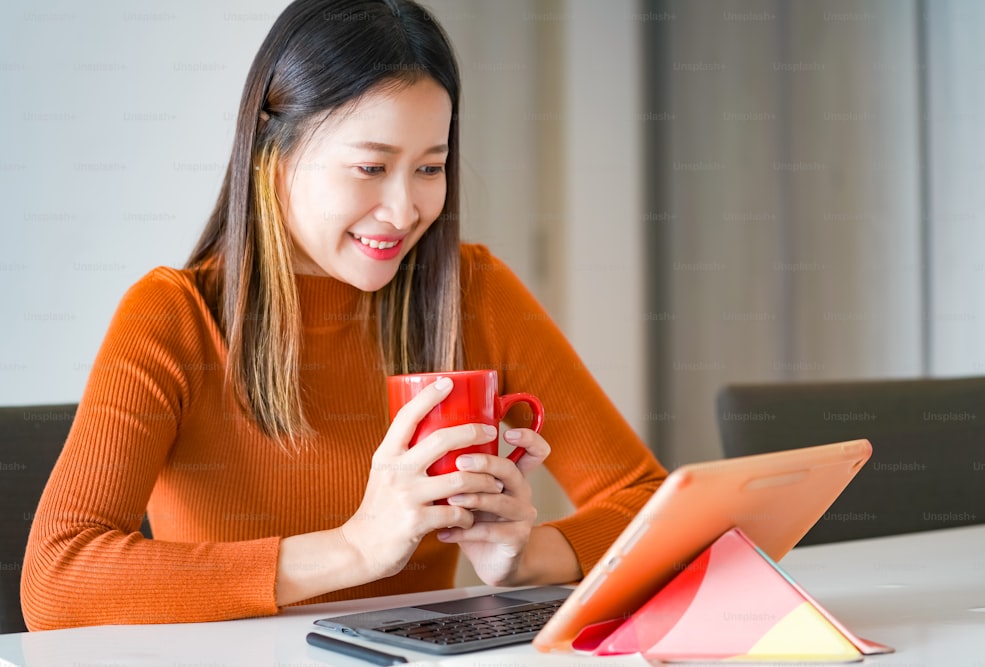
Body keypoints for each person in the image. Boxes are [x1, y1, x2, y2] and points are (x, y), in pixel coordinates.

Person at [21, 0, 666, 631]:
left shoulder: (474, 290)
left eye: (429, 168)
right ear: (273, 154)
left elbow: (648, 502)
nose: (403, 209)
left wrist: (525, 557)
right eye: (370, 167)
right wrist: (354, 550)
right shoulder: (175, 316)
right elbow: (57, 577)